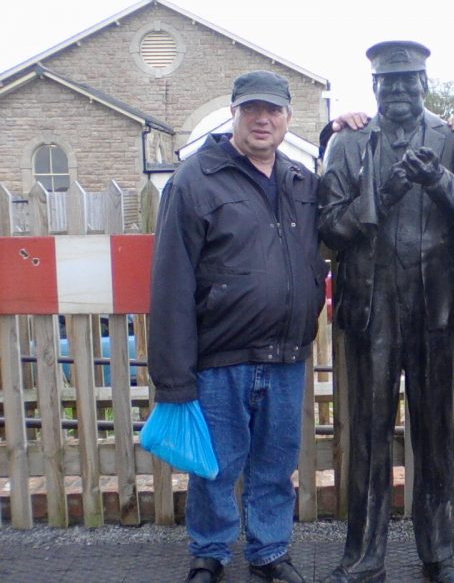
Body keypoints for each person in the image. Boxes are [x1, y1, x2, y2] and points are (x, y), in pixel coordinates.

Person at [318, 41, 454, 583]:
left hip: (435, 309)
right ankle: (364, 556)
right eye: (388, 83)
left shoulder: (452, 143)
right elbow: (330, 231)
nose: (398, 91)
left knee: (435, 431)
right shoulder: (347, 146)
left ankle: (439, 553)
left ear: (424, 84)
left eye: (408, 81)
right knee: (369, 434)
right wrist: (388, 190)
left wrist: (437, 180)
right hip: (371, 308)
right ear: (373, 89)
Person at [148, 71, 327, 583]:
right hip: (221, 356)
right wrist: (175, 377)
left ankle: (270, 552)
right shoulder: (195, 179)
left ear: (288, 119)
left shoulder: (301, 182)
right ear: (234, 114)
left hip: (287, 355)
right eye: (251, 110)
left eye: (272, 111)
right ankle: (210, 552)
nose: (262, 119)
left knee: (274, 467)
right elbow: (171, 280)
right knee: (216, 467)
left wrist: (339, 134)